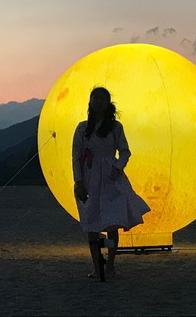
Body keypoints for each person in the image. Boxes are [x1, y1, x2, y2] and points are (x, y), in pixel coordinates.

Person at [73, 87, 150, 278]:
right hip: (89, 175)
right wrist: (78, 180)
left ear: (108, 103)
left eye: (102, 99)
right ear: (90, 102)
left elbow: (125, 151)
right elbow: (75, 156)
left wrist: (118, 167)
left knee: (113, 221)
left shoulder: (116, 127)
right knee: (91, 220)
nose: (98, 102)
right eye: (95, 98)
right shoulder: (82, 127)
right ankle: (96, 265)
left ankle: (111, 264)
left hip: (111, 175)